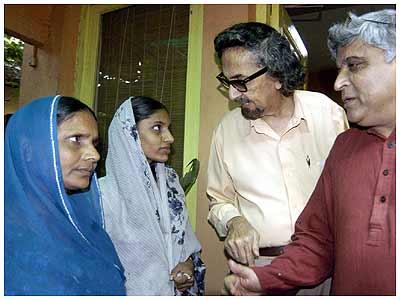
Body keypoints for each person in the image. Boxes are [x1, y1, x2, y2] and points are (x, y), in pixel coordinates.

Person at [223, 9, 395, 296]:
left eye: (354, 66)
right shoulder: (345, 147)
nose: (338, 83)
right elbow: (318, 240)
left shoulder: (328, 114)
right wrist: (264, 278)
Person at [207, 22, 348, 295]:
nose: (234, 94)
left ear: (278, 75)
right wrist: (235, 221)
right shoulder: (226, 130)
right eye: (227, 82)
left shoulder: (328, 115)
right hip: (259, 270)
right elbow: (219, 201)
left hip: (330, 267)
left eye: (241, 82)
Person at [5, 95, 126, 295]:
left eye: (94, 143)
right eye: (76, 140)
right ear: (28, 149)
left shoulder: (84, 225)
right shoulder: (10, 236)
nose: (94, 155)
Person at [99, 96, 206, 295]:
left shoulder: (171, 184)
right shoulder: (103, 194)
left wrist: (187, 264)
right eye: (157, 128)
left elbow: (186, 242)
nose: (170, 137)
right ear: (129, 133)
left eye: (168, 128)